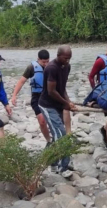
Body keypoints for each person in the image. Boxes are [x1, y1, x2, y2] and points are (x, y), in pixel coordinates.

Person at [39, 45, 76, 175]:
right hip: (48, 105)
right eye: (65, 58)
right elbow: (51, 91)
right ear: (58, 55)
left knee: (57, 135)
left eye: (69, 58)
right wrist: (65, 103)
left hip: (58, 104)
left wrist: (68, 102)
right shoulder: (51, 68)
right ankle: (63, 167)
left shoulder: (66, 67)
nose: (67, 61)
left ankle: (53, 163)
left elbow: (62, 88)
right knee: (61, 135)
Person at [10, 50, 52, 145]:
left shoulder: (52, 67)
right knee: (42, 121)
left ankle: (59, 138)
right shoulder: (31, 68)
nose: (46, 64)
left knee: (53, 120)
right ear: (38, 60)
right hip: (37, 97)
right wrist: (14, 95)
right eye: (43, 62)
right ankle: (49, 141)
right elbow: (21, 81)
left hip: (49, 96)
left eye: (47, 61)